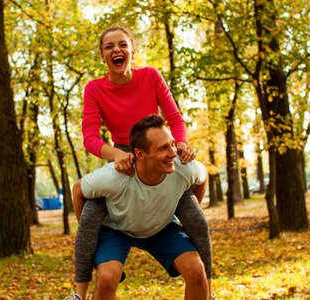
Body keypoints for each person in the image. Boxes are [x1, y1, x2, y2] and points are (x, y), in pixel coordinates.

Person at [73, 26, 213, 298]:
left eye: (123, 45)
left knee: (196, 217)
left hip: (159, 151)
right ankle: (80, 291)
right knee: (91, 215)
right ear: (102, 56)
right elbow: (89, 137)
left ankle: (209, 291)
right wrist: (117, 156)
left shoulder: (150, 76)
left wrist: (180, 143)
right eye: (109, 47)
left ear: (132, 51)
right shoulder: (94, 88)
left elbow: (174, 117)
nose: (117, 50)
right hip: (122, 157)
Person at [73, 115, 209, 300]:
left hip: (162, 229)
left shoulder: (183, 167)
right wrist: (91, 232)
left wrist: (185, 212)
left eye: (172, 143)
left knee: (196, 271)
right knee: (106, 279)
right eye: (163, 148)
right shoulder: (114, 176)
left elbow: (202, 177)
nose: (172, 152)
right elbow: (78, 189)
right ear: (140, 154)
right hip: (116, 231)